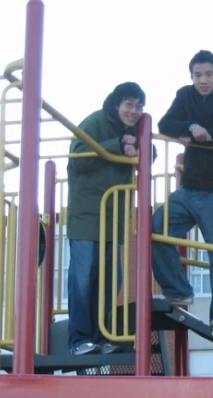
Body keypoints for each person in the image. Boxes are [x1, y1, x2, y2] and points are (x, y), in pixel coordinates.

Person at [152, 50, 213, 334]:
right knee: (155, 228)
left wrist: (200, 135)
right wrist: (191, 126)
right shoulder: (185, 95)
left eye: (208, 75)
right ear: (191, 77)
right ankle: (178, 290)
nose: (203, 81)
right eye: (197, 76)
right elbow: (164, 123)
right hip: (189, 188)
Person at [66, 82, 148, 355]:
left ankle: (101, 337)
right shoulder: (95, 122)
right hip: (88, 215)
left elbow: (152, 155)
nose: (134, 111)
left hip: (115, 218)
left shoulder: (134, 130)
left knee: (112, 279)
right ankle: (79, 339)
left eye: (138, 106)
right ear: (116, 104)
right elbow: (77, 158)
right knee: (84, 276)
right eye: (128, 104)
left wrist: (137, 143)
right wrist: (116, 144)